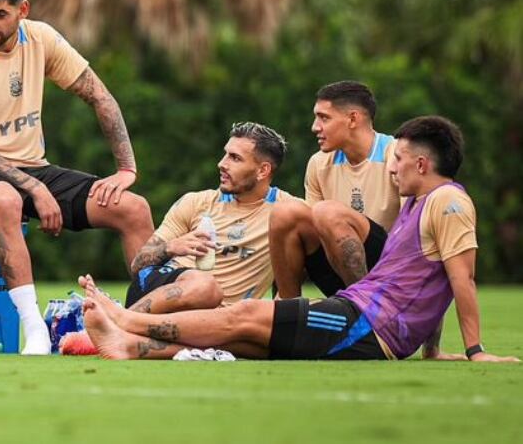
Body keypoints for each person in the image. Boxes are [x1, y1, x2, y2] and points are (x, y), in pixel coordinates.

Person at [78, 116, 518, 363]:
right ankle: (133, 345)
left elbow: (461, 279)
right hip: (366, 318)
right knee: (245, 343)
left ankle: (129, 322)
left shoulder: (449, 202)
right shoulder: (418, 206)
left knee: (247, 317)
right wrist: (433, 351)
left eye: (398, 160)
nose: (390, 167)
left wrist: (476, 351)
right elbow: (426, 283)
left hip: (365, 324)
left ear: (421, 165)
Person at [0, 0, 154, 354]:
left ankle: (141, 326)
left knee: (134, 209)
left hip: (33, 168)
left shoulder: (41, 39)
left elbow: (101, 96)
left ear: (22, 9)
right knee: (7, 200)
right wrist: (35, 188)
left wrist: (127, 169)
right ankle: (35, 330)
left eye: (0, 15)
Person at [125, 123, 297, 315]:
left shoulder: (288, 213)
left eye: (235, 158)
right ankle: (120, 321)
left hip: (216, 323)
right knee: (205, 287)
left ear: (263, 171)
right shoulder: (196, 202)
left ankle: (110, 324)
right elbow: (137, 265)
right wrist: (170, 247)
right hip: (159, 290)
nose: (222, 164)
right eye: (225, 154)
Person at [269, 81, 399, 298]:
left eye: (324, 118)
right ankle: (288, 315)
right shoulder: (318, 163)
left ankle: (365, 308)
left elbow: (414, 232)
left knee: (326, 212)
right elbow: (308, 234)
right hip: (337, 267)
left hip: (391, 270)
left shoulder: (396, 154)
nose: (315, 127)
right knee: (284, 213)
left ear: (353, 119)